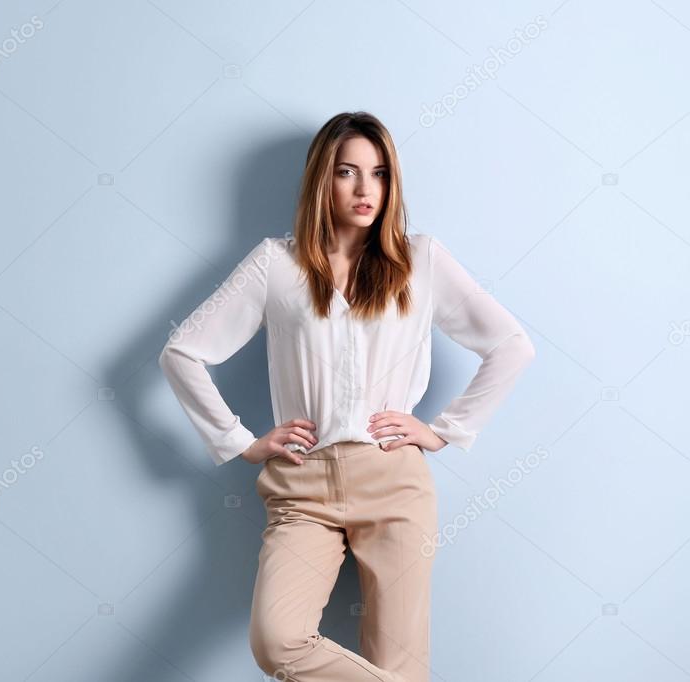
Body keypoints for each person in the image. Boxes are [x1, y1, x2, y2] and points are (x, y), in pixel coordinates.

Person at [158, 111, 535, 682]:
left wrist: (443, 430)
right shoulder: (274, 265)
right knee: (277, 642)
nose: (365, 189)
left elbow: (511, 345)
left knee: (401, 666)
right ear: (321, 181)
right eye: (348, 172)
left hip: (394, 484)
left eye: (379, 173)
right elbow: (181, 353)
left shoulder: (421, 259)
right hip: (301, 485)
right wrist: (240, 442)